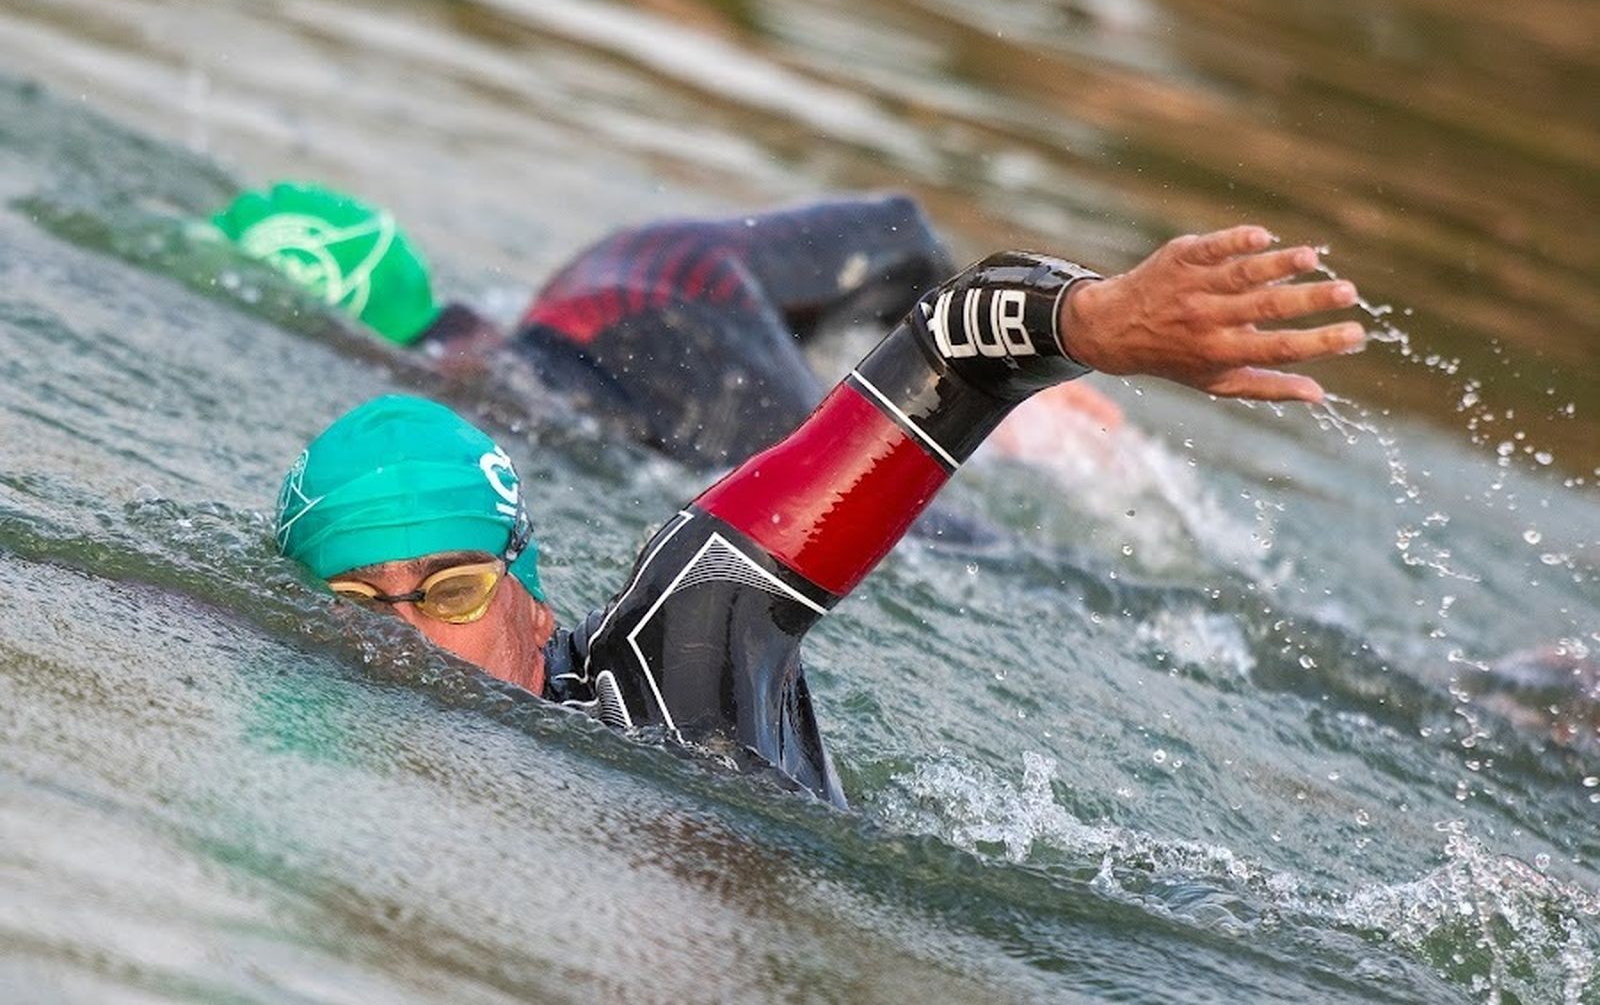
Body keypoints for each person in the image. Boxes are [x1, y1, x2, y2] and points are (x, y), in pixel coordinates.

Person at [276, 225, 1364, 806]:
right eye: (357, 604)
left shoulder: (678, 645)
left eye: (453, 590)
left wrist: (1098, 320)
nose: (406, 641)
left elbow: (947, 347)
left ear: (527, 574)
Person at [216, 183, 1121, 477]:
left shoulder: (466, 417)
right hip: (929, 437)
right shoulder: (641, 264)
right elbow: (899, 232)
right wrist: (1017, 335)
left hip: (815, 503)